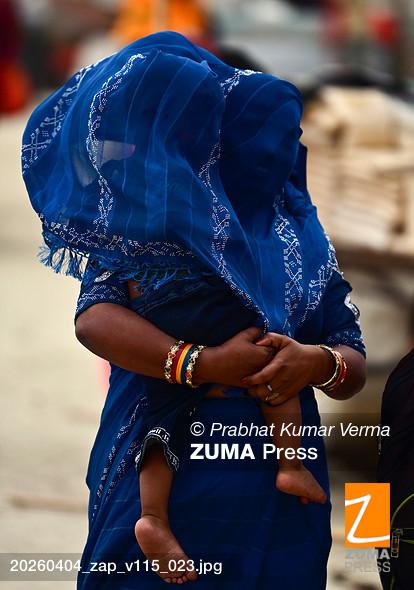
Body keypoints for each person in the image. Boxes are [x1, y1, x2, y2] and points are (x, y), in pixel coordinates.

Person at [23, 31, 366, 589]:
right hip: (162, 460)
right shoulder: (150, 221)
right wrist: (199, 363)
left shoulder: (302, 235)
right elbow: (95, 319)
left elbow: (351, 358)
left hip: (278, 480)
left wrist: (316, 363)